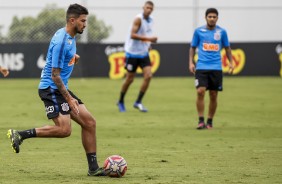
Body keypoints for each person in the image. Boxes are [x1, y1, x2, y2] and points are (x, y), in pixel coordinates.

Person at [7, 4, 105, 176]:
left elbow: (58, 61)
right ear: (72, 20)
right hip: (51, 88)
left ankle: (93, 169)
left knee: (89, 123)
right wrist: (69, 98)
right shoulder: (62, 41)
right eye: (83, 21)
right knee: (64, 130)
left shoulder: (69, 37)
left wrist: (72, 58)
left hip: (60, 88)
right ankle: (20, 135)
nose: (85, 24)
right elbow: (55, 75)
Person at [189, 8, 234, 129]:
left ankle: (209, 121)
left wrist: (231, 62)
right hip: (202, 66)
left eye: (214, 17)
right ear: (206, 18)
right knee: (200, 92)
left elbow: (227, 48)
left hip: (216, 67)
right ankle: (200, 120)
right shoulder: (198, 31)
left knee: (213, 94)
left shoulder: (222, 32)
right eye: (210, 16)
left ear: (217, 18)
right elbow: (192, 47)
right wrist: (191, 63)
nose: (212, 19)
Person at [117, 1, 158, 112]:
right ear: (143, 8)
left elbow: (147, 33)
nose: (148, 10)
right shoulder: (138, 19)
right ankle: (120, 100)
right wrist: (150, 40)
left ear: (152, 10)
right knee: (130, 79)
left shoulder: (151, 20)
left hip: (143, 53)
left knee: (148, 76)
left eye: (150, 8)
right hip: (132, 53)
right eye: (147, 7)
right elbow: (133, 35)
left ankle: (138, 102)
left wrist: (148, 45)